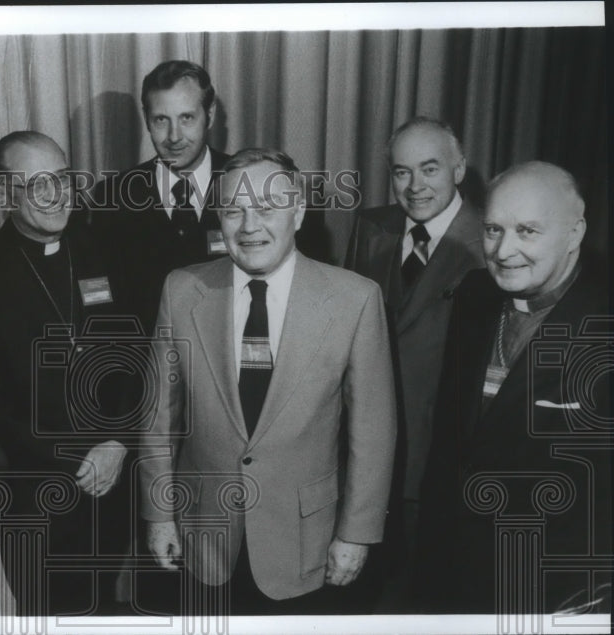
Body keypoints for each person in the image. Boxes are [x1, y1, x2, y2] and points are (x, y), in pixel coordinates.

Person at [140, 148, 397, 615]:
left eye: (267, 208)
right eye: (235, 210)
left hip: (305, 542)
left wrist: (356, 532)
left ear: (298, 212)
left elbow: (374, 433)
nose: (249, 225)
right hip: (205, 538)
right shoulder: (182, 289)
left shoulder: (355, 299)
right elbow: (159, 420)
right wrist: (159, 516)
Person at [416, 161, 611, 614]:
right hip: (456, 574)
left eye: (527, 231)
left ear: (575, 232)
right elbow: (451, 443)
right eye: (493, 230)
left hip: (556, 590)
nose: (504, 251)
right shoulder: (474, 294)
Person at [0, 131, 131, 615]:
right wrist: (81, 459)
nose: (55, 195)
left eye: (61, 178)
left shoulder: (102, 248)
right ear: (3, 194)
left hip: (116, 480)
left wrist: (117, 441)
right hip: (36, 496)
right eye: (35, 185)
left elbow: (138, 352)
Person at [343, 116, 484, 609]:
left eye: (429, 169)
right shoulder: (371, 227)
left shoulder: (488, 244)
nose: (415, 186)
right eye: (402, 172)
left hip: (438, 461)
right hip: (364, 451)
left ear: (459, 168)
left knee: (421, 598)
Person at [90, 60, 230, 335]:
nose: (174, 136)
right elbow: (103, 299)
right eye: (161, 120)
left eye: (186, 118)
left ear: (209, 115)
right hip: (147, 365)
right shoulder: (113, 194)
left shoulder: (247, 180)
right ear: (147, 119)